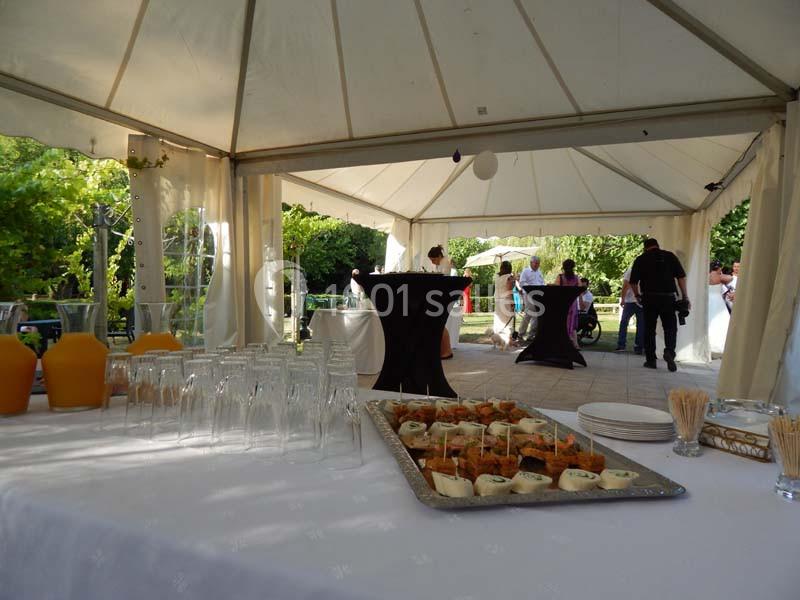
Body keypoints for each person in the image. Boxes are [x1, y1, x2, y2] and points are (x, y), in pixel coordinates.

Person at [629, 238, 689, 372]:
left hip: (649, 297)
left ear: (645, 248)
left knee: (649, 329)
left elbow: (633, 282)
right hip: (668, 298)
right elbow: (681, 277)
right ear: (657, 245)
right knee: (670, 328)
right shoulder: (669, 256)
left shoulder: (641, 259)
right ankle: (669, 352)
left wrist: (637, 295)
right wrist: (685, 296)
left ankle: (651, 360)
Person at [427, 245, 454, 358]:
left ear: (439, 256)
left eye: (433, 260)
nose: (433, 263)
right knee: (438, 323)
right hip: (440, 295)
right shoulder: (442, 264)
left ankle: (447, 350)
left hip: (443, 296)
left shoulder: (445, 263)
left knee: (439, 323)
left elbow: (443, 279)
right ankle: (443, 349)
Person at [615, 267, 643, 354]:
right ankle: (638, 347)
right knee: (641, 325)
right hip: (640, 301)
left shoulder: (631, 270)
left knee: (624, 322)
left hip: (631, 301)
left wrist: (623, 299)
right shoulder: (645, 269)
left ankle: (621, 345)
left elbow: (625, 285)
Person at [708, 260, 733, 355]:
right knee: (720, 321)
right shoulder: (720, 277)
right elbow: (730, 278)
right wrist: (721, 273)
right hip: (717, 300)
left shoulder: (707, 275)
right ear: (719, 268)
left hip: (708, 299)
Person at [517, 256, 545, 341]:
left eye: (538, 264)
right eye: (535, 263)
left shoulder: (539, 272)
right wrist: (532, 287)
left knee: (536, 315)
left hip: (538, 296)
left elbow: (542, 283)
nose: (537, 265)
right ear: (531, 263)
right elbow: (521, 283)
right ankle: (521, 334)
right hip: (529, 295)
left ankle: (531, 335)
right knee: (529, 314)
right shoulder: (526, 271)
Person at [555, 259, 581, 347]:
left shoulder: (560, 277)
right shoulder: (577, 278)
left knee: (562, 322)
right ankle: (575, 344)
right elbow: (581, 289)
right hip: (573, 303)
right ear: (573, 267)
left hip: (562, 303)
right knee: (572, 323)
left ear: (563, 267)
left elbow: (555, 289)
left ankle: (563, 343)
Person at [493, 260, 516, 347]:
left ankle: (497, 339)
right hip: (505, 300)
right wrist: (513, 302)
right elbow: (509, 290)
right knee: (508, 319)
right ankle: (509, 340)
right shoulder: (509, 277)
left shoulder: (497, 276)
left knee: (499, 320)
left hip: (497, 300)